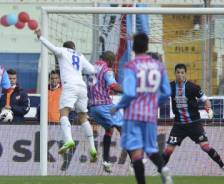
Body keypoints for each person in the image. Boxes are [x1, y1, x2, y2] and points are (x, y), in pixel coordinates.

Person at [112, 33, 173, 184]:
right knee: (151, 148)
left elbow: (130, 92)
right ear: (147, 46)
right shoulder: (158, 66)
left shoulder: (131, 66)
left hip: (133, 115)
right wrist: (154, 104)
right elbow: (167, 92)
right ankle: (163, 168)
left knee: (136, 151)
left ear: (133, 47)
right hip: (150, 115)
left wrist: (118, 106)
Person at [35, 29, 97, 161]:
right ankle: (92, 147)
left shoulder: (63, 51)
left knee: (63, 113)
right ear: (74, 48)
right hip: (82, 87)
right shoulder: (80, 55)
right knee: (83, 117)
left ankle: (68, 140)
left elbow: (52, 48)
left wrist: (41, 37)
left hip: (69, 86)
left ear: (65, 47)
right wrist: (81, 69)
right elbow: (92, 70)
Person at [162, 63, 224, 176]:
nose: (180, 75)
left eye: (182, 72)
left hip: (194, 124)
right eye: (178, 72)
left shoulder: (193, 87)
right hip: (179, 125)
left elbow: (206, 100)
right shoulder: (170, 87)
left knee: (205, 147)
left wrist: (208, 108)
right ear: (174, 74)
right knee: (168, 150)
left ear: (185, 74)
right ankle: (159, 172)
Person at [86, 50, 124, 173]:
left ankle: (106, 161)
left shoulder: (91, 68)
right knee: (124, 128)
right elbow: (114, 86)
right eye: (113, 62)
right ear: (110, 61)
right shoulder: (107, 70)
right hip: (104, 105)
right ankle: (135, 160)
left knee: (109, 129)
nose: (113, 64)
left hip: (92, 108)